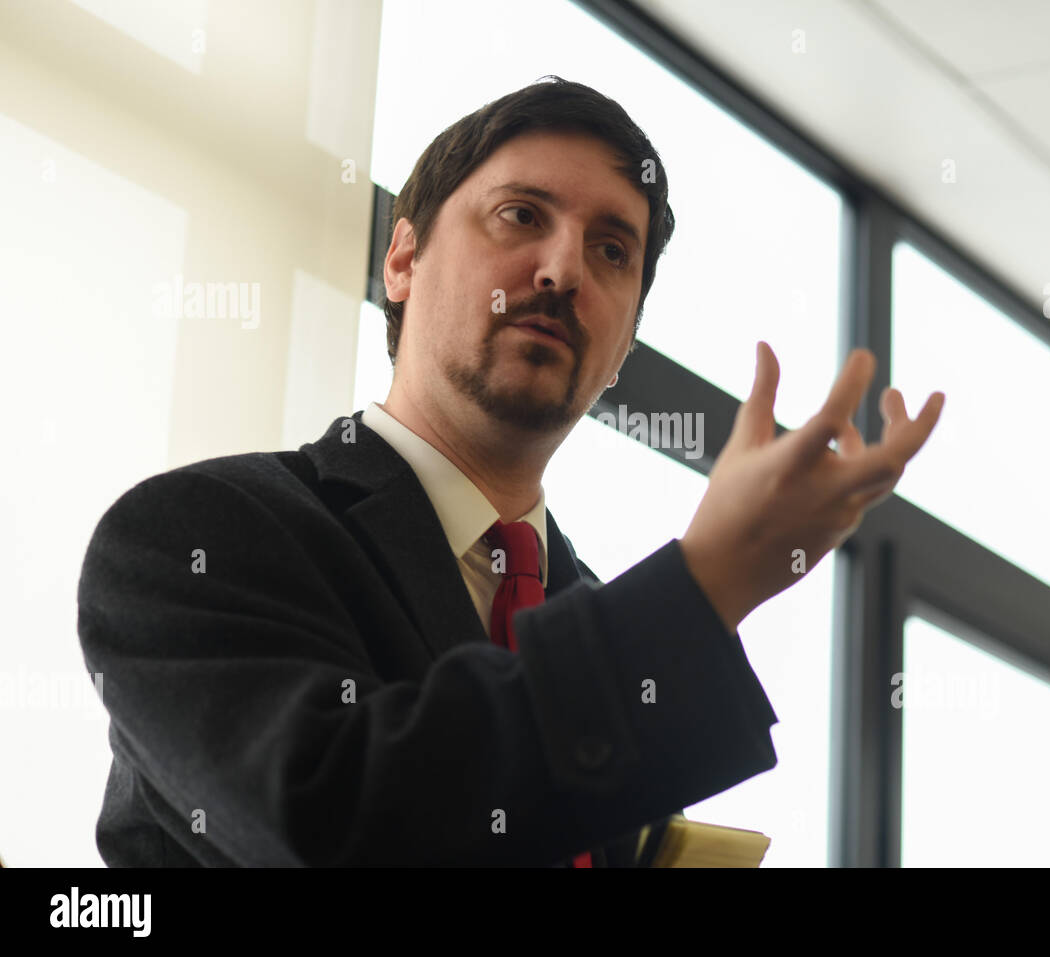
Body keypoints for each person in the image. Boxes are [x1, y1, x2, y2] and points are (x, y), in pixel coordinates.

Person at [76, 76, 944, 867]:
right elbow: (333, 824)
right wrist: (707, 580)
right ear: (403, 260)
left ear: (622, 352)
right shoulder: (190, 534)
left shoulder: (591, 613)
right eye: (522, 215)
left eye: (612, 251)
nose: (564, 270)